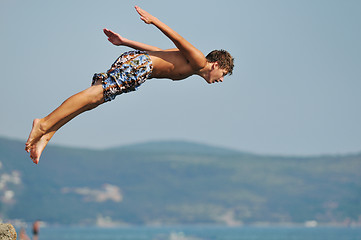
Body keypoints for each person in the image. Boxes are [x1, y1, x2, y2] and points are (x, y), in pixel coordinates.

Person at [25, 6, 234, 164]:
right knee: (91, 97)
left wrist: (125, 41)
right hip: (138, 67)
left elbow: (157, 50)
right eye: (223, 73)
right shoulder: (198, 60)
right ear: (216, 64)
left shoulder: (191, 64)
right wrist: (154, 21)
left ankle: (47, 135)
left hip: (137, 64)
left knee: (92, 101)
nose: (221, 79)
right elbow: (177, 38)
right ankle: (42, 123)